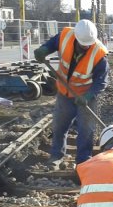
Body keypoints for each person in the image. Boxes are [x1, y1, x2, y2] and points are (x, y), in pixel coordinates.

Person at [34, 19, 109, 170]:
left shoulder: (99, 54)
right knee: (59, 127)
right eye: (83, 44)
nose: (86, 46)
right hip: (64, 92)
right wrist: (43, 50)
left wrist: (88, 96)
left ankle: (83, 162)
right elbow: (51, 44)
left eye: (89, 44)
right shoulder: (66, 36)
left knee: (86, 130)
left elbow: (101, 82)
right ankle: (56, 157)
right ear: (76, 37)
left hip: (86, 96)